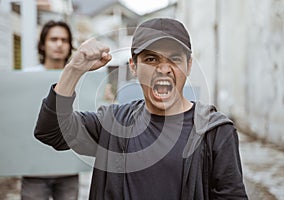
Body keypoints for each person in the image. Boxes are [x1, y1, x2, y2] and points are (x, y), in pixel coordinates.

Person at [34, 18, 249, 199]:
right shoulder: (112, 123)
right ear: (134, 66)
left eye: (174, 58)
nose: (164, 68)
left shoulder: (215, 132)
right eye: (151, 58)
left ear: (189, 65)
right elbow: (51, 131)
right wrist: (74, 69)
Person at [21, 20, 79, 200]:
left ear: (70, 45)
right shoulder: (25, 78)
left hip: (68, 168)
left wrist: (104, 97)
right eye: (53, 39)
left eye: (64, 40)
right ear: (43, 44)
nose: (59, 44)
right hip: (33, 170)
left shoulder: (82, 80)